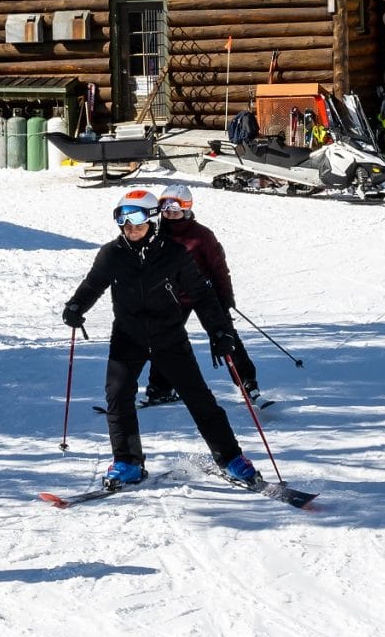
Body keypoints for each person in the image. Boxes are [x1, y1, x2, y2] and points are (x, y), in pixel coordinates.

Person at [61, 185, 260, 489]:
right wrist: (76, 305)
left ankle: (231, 458)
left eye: (138, 223)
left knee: (200, 399)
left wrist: (219, 330)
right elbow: (93, 284)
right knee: (118, 398)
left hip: (169, 337)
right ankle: (127, 463)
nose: (131, 229)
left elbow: (201, 295)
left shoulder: (174, 254)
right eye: (124, 223)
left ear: (153, 221)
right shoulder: (112, 254)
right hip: (128, 338)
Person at [147, 184, 259, 405]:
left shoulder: (201, 236)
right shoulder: (157, 235)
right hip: (174, 296)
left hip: (204, 293)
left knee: (224, 335)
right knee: (165, 339)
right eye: (165, 208)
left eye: (174, 208)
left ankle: (247, 381)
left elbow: (219, 268)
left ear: (186, 209)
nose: (169, 213)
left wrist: (225, 297)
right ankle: (160, 387)